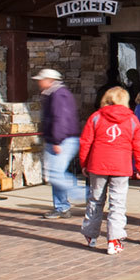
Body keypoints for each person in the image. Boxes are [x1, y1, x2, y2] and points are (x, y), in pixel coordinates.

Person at [79, 86, 140, 254]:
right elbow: (139, 146)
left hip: (98, 164)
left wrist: (84, 163)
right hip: (121, 165)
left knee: (95, 199)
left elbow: (85, 142)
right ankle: (114, 240)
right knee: (117, 203)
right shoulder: (131, 120)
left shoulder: (96, 117)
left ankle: (90, 234)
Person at [35, 68, 83, 219]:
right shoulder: (53, 94)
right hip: (59, 139)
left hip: (62, 139)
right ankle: (61, 206)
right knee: (55, 173)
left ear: (49, 80)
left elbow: (60, 118)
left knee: (56, 174)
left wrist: (57, 140)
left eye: (41, 80)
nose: (38, 83)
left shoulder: (58, 95)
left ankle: (84, 194)